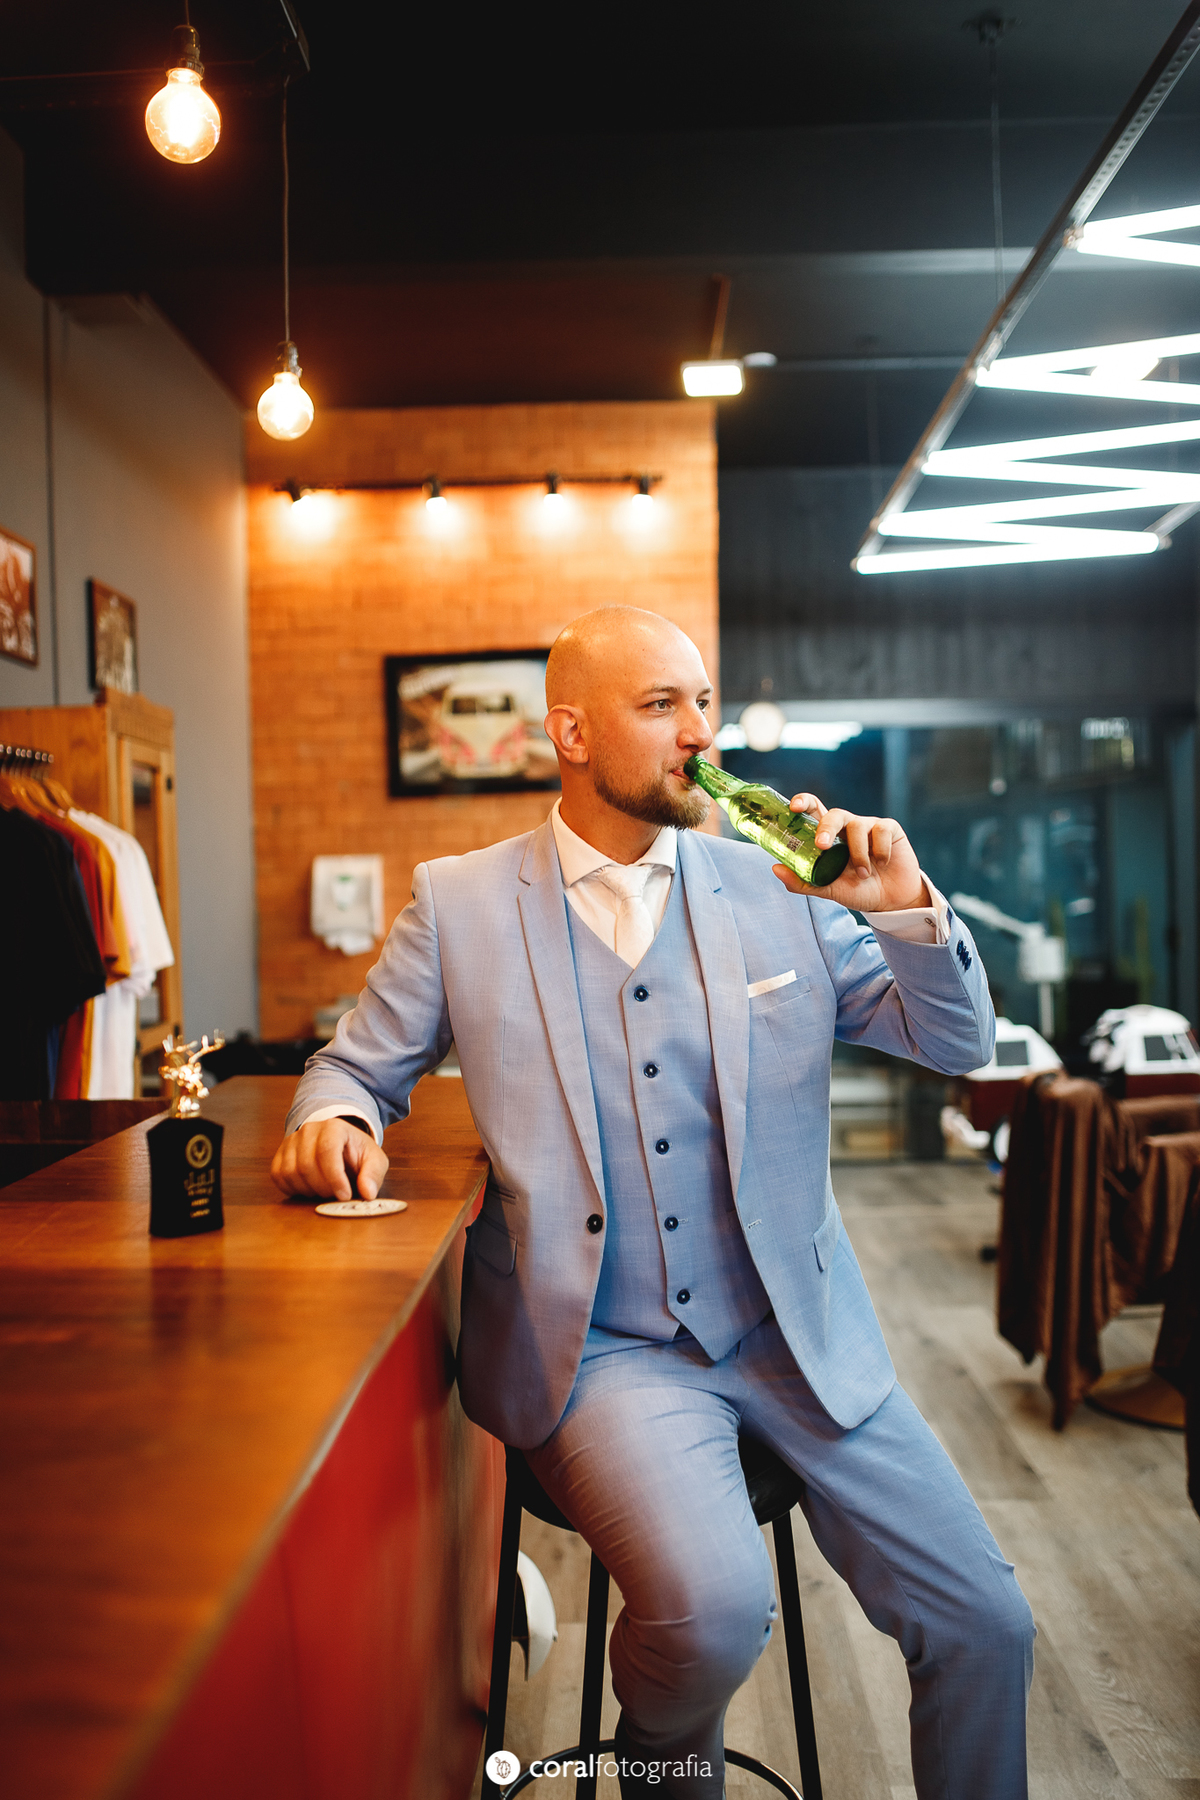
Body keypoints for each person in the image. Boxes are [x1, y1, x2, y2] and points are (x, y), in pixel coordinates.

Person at [272, 607, 1035, 1800]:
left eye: (705, 702)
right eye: (662, 705)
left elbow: (958, 1045)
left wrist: (904, 908)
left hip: (801, 1333)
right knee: (715, 1614)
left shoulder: (781, 887)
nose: (700, 734)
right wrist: (336, 1122)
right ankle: (659, 1769)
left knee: (991, 1623)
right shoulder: (461, 904)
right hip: (603, 1352)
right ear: (571, 733)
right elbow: (353, 1069)